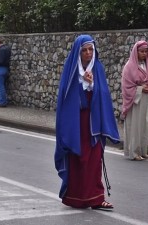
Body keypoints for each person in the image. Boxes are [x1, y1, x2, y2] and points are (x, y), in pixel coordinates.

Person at [54, 34, 120, 210]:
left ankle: (97, 198)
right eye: (84, 50)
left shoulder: (98, 68)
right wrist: (83, 85)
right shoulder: (71, 71)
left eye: (91, 49)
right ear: (78, 52)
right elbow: (66, 100)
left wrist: (92, 86)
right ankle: (76, 198)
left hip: (94, 123)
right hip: (76, 124)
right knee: (77, 158)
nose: (88, 53)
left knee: (94, 159)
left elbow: (103, 96)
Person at [121, 40, 148, 161]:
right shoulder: (129, 67)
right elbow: (126, 86)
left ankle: (143, 150)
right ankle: (134, 152)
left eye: (146, 51)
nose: (144, 54)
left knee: (147, 125)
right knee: (135, 127)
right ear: (135, 52)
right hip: (135, 101)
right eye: (141, 51)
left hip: (146, 99)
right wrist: (141, 89)